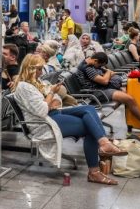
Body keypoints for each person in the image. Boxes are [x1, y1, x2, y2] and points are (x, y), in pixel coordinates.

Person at [11, 55, 127, 185]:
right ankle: (95, 169)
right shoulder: (24, 87)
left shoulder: (37, 82)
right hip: (45, 123)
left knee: (88, 109)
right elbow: (42, 110)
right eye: (38, 69)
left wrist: (51, 99)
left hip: (53, 114)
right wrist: (50, 96)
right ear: (30, 69)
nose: (41, 72)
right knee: (90, 127)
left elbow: (57, 100)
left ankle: (104, 145)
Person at [77, 52, 140, 135]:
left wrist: (107, 75)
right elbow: (104, 80)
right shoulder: (88, 68)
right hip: (97, 93)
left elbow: (108, 76)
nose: (100, 67)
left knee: (132, 94)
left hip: (102, 89)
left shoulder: (92, 62)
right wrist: (108, 73)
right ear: (95, 60)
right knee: (129, 99)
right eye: (100, 65)